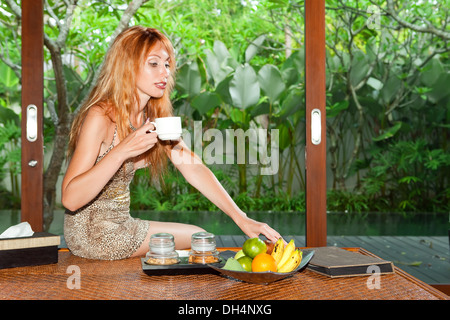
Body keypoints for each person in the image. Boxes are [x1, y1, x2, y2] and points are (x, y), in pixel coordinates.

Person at [61, 26, 283, 260]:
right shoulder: (102, 116)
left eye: (167, 64)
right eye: (154, 63)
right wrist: (121, 152)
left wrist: (241, 218)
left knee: (200, 237)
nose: (164, 72)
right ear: (127, 66)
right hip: (91, 233)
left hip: (122, 223)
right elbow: (70, 199)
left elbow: (192, 166)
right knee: (199, 240)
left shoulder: (154, 119)